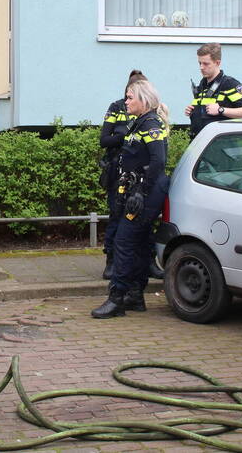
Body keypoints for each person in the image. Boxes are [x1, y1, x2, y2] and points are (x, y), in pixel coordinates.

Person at [92, 80, 170, 319]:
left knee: (124, 242)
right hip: (134, 189)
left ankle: (117, 299)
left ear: (143, 100)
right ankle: (135, 296)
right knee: (139, 242)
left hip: (145, 193)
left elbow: (158, 160)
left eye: (129, 98)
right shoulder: (139, 124)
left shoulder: (151, 124)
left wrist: (140, 192)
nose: (125, 102)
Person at [98, 69, 147, 280]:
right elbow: (104, 140)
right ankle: (111, 259)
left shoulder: (148, 113)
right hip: (117, 171)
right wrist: (125, 134)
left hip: (138, 172)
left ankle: (144, 260)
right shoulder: (117, 107)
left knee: (141, 217)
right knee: (116, 214)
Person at [184, 42, 242, 139]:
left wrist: (221, 110)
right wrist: (193, 111)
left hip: (222, 147)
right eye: (200, 63)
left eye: (206, 63)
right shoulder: (202, 86)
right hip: (200, 144)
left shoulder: (229, 84)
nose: (201, 67)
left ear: (217, 63)